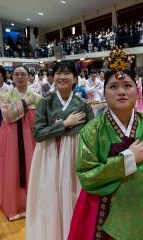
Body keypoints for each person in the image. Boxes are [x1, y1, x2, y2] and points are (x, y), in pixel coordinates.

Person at [69, 50, 143, 239]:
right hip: (106, 210)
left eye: (127, 85)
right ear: (104, 93)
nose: (121, 91)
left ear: (137, 91)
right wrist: (128, 159)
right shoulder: (92, 131)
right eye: (113, 86)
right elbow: (86, 174)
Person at [26, 61, 94, 240]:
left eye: (67, 73)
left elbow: (92, 135)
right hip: (50, 155)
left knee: (74, 193)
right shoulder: (45, 103)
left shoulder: (83, 104)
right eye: (58, 73)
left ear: (75, 79)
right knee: (52, 196)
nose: (62, 77)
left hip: (75, 155)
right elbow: (38, 134)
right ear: (53, 77)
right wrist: (64, 124)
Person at [0, 66, 42, 220]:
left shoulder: (38, 97)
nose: (20, 77)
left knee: (33, 166)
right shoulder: (5, 96)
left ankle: (34, 204)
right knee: (13, 167)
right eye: (16, 74)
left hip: (32, 137)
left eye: (23, 74)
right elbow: (7, 116)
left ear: (28, 76)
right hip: (12, 136)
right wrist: (25, 103)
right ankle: (15, 205)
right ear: (12, 76)